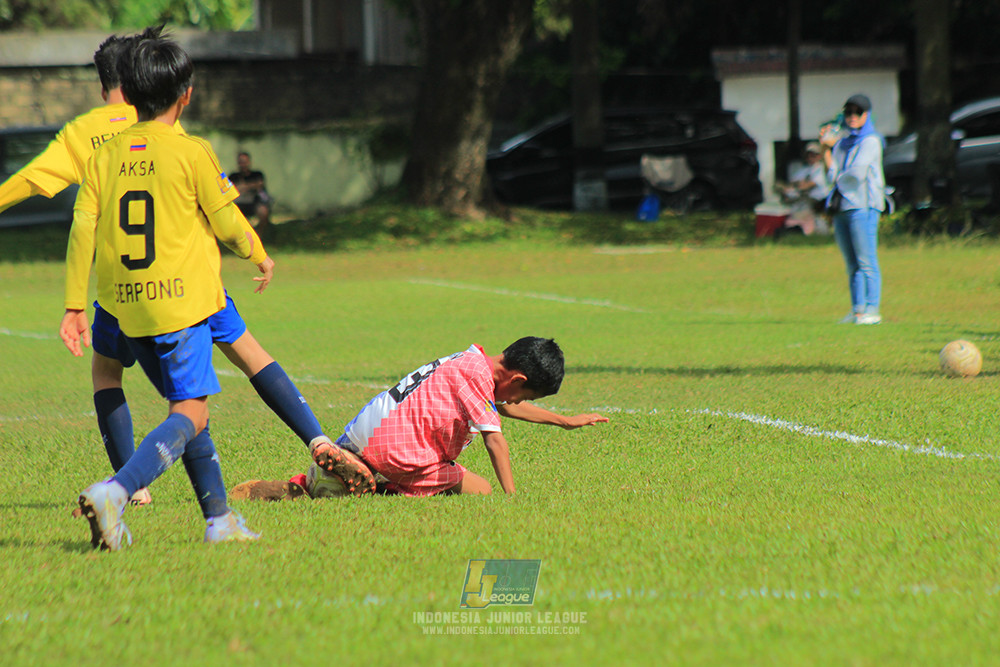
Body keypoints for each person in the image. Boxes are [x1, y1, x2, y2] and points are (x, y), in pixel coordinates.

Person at [9, 28, 365, 508]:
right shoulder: (175, 131)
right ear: (177, 94)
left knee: (109, 374)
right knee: (244, 358)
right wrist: (257, 252)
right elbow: (222, 211)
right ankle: (313, 441)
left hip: (121, 292)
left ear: (106, 88)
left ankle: (135, 487)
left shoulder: (87, 139)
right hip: (191, 283)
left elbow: (41, 186)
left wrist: (74, 302)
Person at [324, 337, 603, 497]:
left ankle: (353, 467)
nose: (518, 401)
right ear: (518, 379)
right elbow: (495, 442)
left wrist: (565, 421)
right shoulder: (478, 378)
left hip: (365, 429)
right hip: (395, 450)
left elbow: (504, 405)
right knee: (481, 491)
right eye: (525, 395)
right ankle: (382, 490)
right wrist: (512, 497)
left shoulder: (472, 361)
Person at [821, 93, 887, 326]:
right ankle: (857, 309)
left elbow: (856, 175)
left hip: (864, 206)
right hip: (842, 208)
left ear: (866, 115)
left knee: (866, 260)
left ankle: (872, 309)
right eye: (848, 113)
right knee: (852, 263)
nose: (852, 117)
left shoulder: (871, 141)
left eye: (857, 113)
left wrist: (837, 173)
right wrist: (826, 150)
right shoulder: (842, 142)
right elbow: (832, 175)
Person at [775, 142, 831, 235]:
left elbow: (810, 184)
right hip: (805, 197)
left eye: (814, 155)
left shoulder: (820, 169)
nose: (811, 157)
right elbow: (795, 182)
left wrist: (795, 187)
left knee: (802, 204)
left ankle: (804, 228)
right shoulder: (805, 169)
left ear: (820, 156)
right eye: (809, 155)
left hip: (819, 200)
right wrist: (786, 188)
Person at [229, 151, 272, 233]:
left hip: (254, 202)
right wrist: (251, 185)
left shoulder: (257, 174)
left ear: (249, 162)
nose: (243, 165)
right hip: (239, 203)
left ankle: (260, 233)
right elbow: (230, 189)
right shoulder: (233, 176)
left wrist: (243, 186)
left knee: (263, 211)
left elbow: (260, 184)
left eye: (245, 162)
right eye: (241, 162)